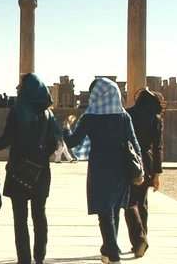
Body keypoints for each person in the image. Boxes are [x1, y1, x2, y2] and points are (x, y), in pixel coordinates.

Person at [62, 78, 143, 264]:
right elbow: (134, 144)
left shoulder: (91, 116)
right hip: (121, 168)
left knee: (104, 212)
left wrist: (66, 127)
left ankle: (113, 254)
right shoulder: (123, 116)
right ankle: (108, 250)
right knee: (113, 208)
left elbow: (73, 142)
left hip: (100, 167)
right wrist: (140, 170)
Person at [0, 73, 59, 264]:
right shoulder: (49, 115)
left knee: (20, 219)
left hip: (19, 170)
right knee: (39, 215)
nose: (18, 89)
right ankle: (40, 257)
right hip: (41, 172)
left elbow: (5, 140)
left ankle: (24, 259)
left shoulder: (18, 111)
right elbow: (54, 144)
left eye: (21, 86)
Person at [123, 89, 164, 258]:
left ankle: (138, 240)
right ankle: (143, 237)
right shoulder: (156, 118)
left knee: (129, 203)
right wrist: (157, 174)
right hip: (146, 161)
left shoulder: (128, 114)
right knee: (142, 203)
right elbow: (158, 147)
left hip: (129, 160)